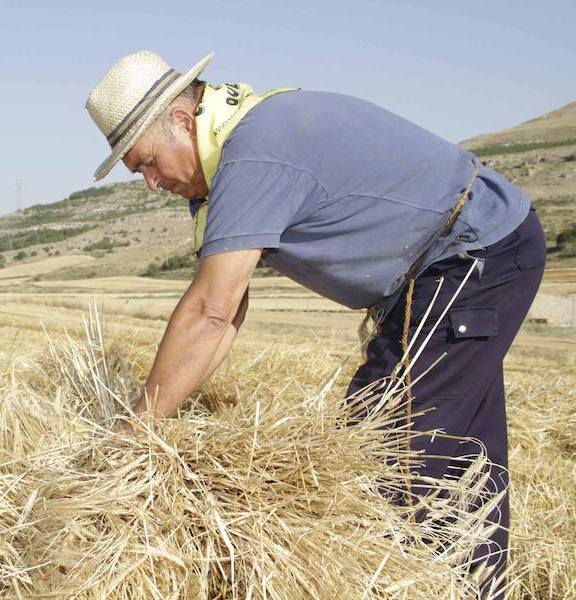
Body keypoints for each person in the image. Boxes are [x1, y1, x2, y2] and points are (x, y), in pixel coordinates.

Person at [84, 50, 545, 598]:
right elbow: (227, 308)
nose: (151, 184)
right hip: (464, 256)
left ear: (183, 121)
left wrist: (133, 429)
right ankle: (475, 588)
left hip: (468, 254)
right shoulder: (230, 158)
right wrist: (155, 424)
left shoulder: (252, 155)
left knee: (383, 446)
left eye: (148, 163)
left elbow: (209, 310)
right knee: (455, 446)